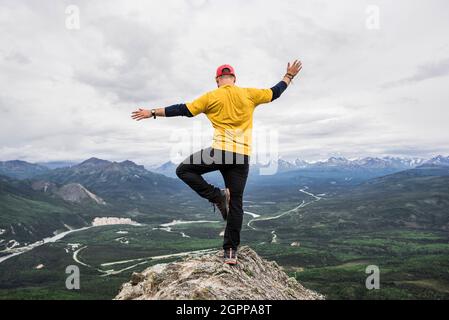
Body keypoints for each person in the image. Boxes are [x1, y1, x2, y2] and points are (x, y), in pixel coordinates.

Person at [131, 60, 302, 264]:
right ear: (234, 79)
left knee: (184, 170)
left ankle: (217, 195)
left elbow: (183, 109)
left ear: (217, 80)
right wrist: (288, 76)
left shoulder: (211, 96)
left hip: (220, 152)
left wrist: (152, 112)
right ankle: (230, 252)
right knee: (236, 203)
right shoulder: (248, 93)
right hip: (241, 157)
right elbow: (275, 92)